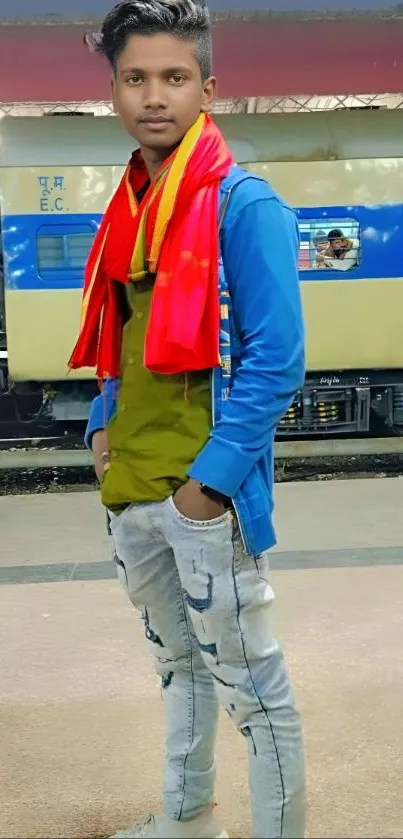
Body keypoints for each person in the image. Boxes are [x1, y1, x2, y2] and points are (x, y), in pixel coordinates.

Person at [69, 1, 306, 837]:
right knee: (178, 669)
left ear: (208, 89)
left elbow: (276, 359)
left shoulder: (243, 206)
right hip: (131, 483)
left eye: (174, 77)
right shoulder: (127, 209)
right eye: (135, 78)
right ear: (113, 93)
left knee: (251, 684)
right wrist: (101, 428)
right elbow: (119, 337)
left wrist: (209, 483)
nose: (154, 95)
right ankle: (188, 815)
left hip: (205, 494)